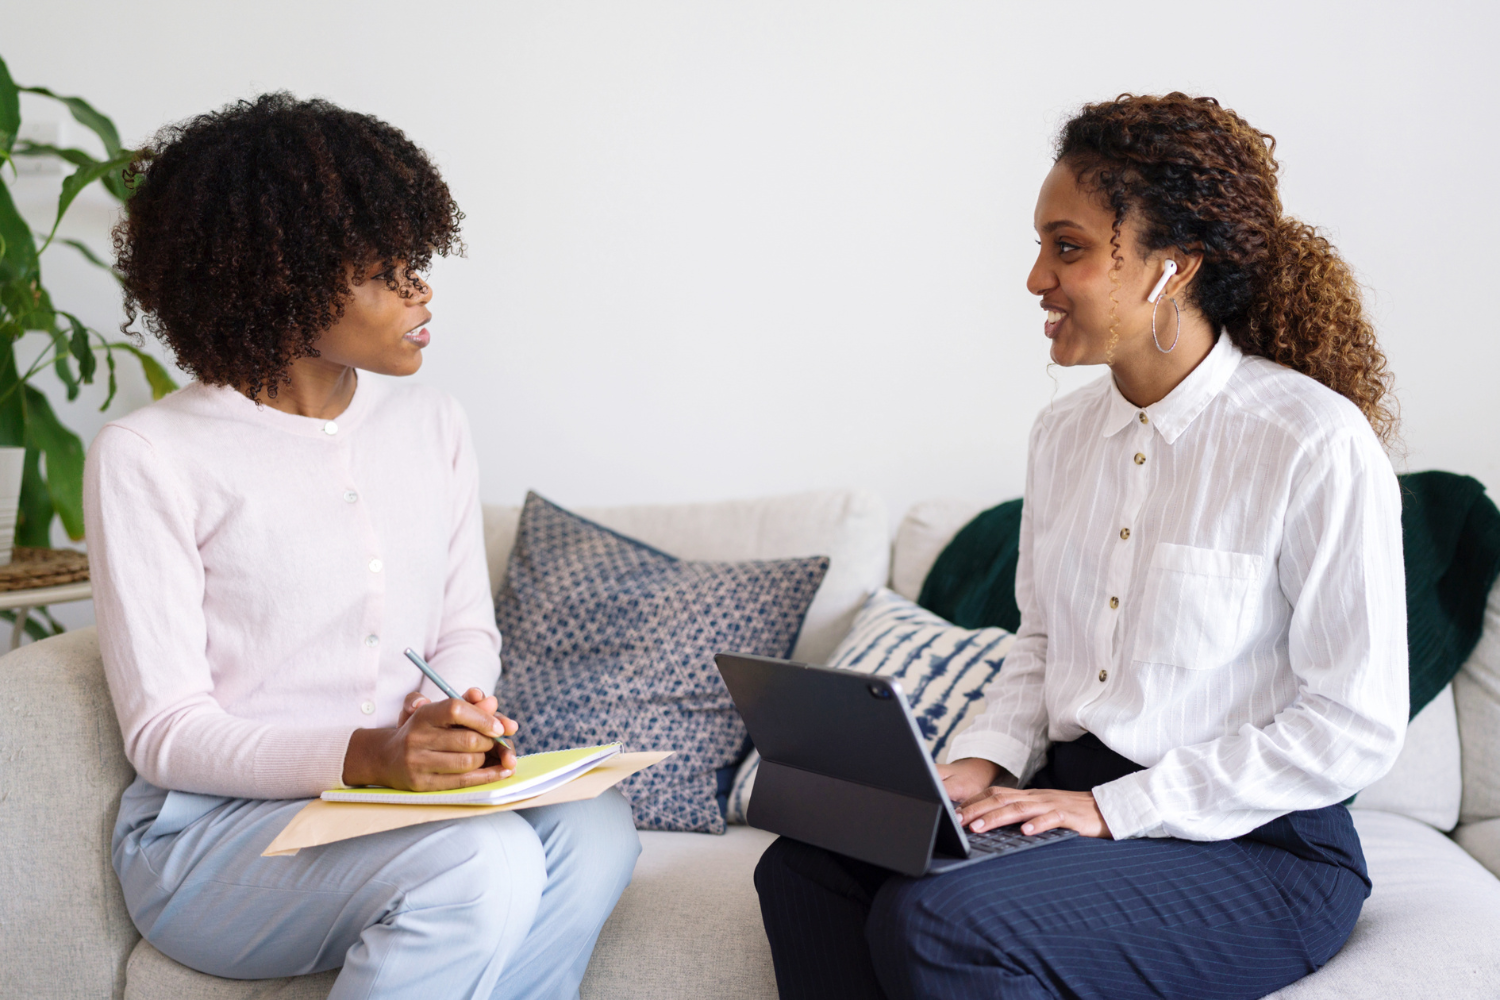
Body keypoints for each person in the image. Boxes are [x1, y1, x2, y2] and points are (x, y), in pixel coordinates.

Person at [754, 92, 1407, 1000]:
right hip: (1069, 806)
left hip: (1256, 847)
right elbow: (1043, 647)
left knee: (939, 922)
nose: (1035, 279)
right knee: (803, 869)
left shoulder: (1311, 441)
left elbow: (1353, 726)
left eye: (1069, 248)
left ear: (1170, 269)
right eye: (1040, 246)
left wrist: (1114, 809)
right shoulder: (1062, 435)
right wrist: (980, 763)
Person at [87, 93, 640, 999]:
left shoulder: (432, 422)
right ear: (279, 282)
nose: (421, 294)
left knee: (598, 829)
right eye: (384, 274)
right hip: (216, 836)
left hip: (394, 809)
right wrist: (373, 756)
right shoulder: (150, 456)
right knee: (479, 862)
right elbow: (165, 735)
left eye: (415, 263)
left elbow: (463, 622)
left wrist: (465, 720)